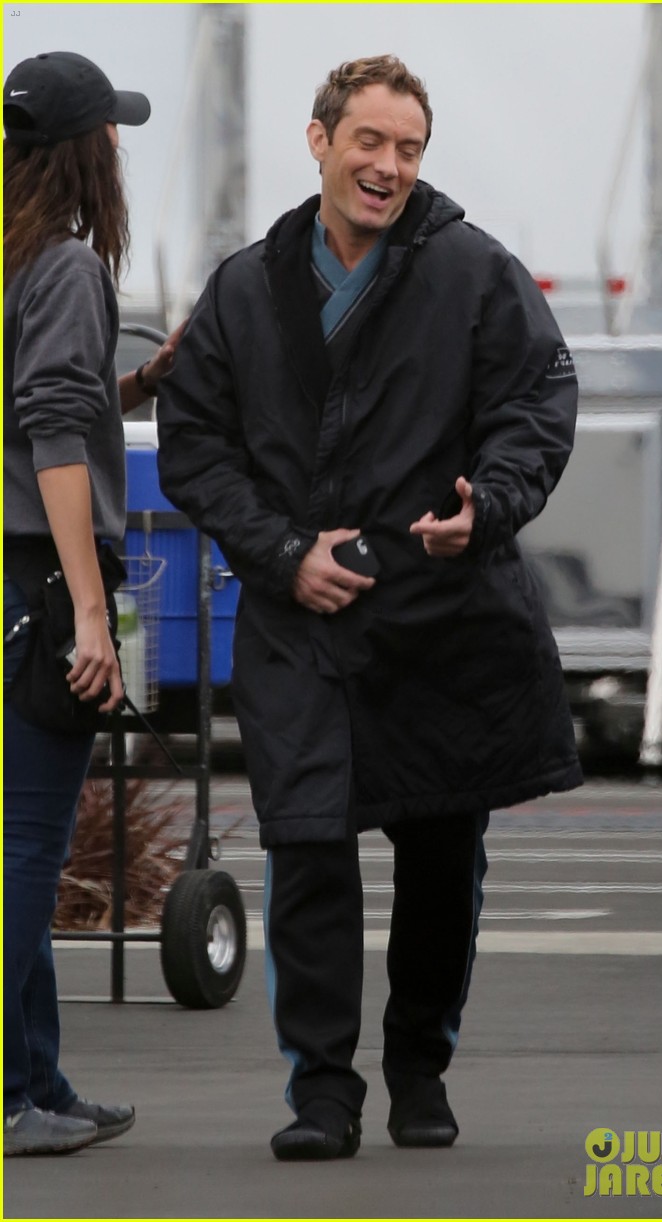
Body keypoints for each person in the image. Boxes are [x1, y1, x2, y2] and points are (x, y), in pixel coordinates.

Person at [157, 54, 582, 1161]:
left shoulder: (473, 272)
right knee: (305, 849)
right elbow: (195, 443)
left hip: (439, 614)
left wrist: (487, 506)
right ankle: (323, 1092)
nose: (389, 166)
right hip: (296, 619)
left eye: (408, 148)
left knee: (442, 855)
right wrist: (280, 552)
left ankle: (418, 1066)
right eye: (369, 142)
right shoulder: (245, 288)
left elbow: (537, 402)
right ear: (320, 141)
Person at [3, 50, 178, 1158]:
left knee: (11, 841)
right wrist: (87, 613)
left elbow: (36, 410)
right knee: (27, 847)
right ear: (87, 149)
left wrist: (139, 387)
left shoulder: (10, 257)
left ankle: (40, 1083)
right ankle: (12, 1097)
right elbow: (55, 439)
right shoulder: (65, 265)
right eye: (112, 127)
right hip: (36, 579)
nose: (120, 143)